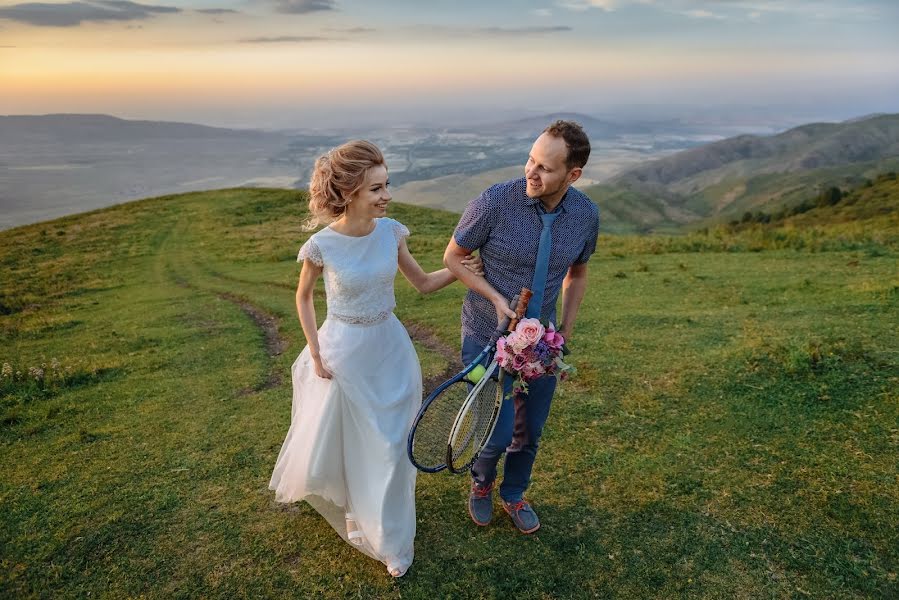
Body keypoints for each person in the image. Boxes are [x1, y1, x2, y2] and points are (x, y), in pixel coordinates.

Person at [269, 140, 482, 577]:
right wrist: (314, 349)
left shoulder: (392, 232)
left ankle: (390, 535)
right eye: (376, 189)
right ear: (349, 194)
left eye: (387, 185)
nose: (386, 196)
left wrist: (463, 272)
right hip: (344, 354)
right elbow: (304, 297)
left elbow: (422, 283)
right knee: (361, 442)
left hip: (391, 348)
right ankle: (372, 521)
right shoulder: (321, 245)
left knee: (392, 444)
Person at [443, 120, 599, 534]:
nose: (531, 172)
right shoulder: (494, 202)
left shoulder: (585, 215)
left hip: (542, 345)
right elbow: (452, 258)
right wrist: (495, 299)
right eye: (530, 160)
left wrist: (563, 329)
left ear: (573, 175)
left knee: (529, 430)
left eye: (545, 168)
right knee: (494, 431)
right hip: (482, 335)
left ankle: (513, 494)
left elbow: (577, 274)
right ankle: (480, 485)